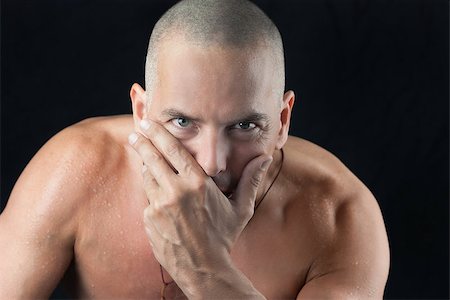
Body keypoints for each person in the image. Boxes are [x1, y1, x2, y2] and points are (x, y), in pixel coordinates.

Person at [0, 0, 389, 298]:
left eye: (244, 126)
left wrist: (207, 271)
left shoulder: (339, 217)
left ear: (282, 121)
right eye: (183, 123)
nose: (211, 163)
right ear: (141, 111)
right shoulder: (74, 170)